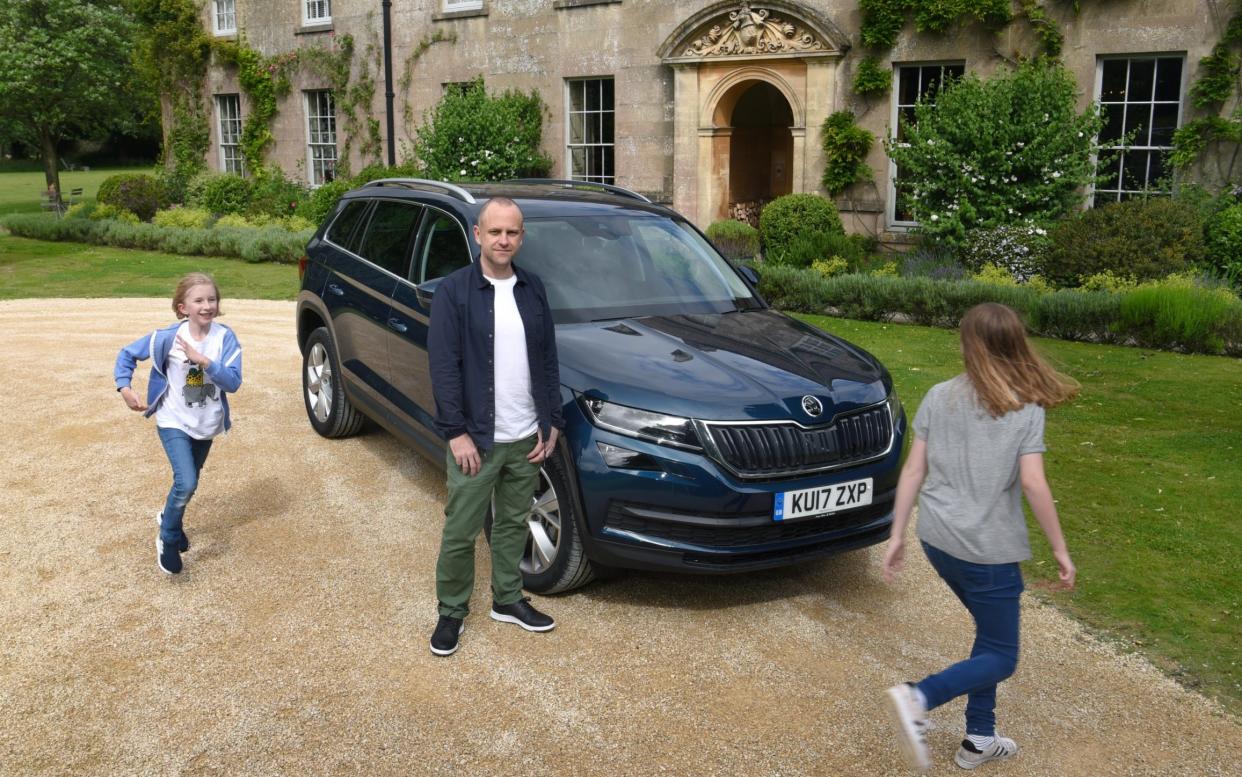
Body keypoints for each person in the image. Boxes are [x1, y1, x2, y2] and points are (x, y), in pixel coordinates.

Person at [881, 302, 1078, 771]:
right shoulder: (1025, 408)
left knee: (989, 638)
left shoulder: (937, 394)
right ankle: (917, 697)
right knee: (1002, 656)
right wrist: (1059, 549)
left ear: (968, 344)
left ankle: (979, 738)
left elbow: (912, 470)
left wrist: (897, 536)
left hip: (937, 538)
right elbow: (1032, 483)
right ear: (1016, 344)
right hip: (986, 551)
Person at [427, 196, 563, 657]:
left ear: (521, 237)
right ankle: (451, 611)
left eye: (513, 232)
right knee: (461, 530)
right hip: (476, 441)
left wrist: (551, 422)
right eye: (496, 232)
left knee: (511, 524)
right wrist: (455, 432)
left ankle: (507, 599)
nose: (504, 240)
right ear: (478, 235)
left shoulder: (532, 288)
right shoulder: (455, 291)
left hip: (526, 436)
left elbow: (547, 358)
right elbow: (443, 366)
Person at [114, 273, 243, 575]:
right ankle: (168, 538)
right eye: (199, 300)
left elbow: (234, 382)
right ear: (183, 307)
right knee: (187, 481)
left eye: (212, 299)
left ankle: (169, 517)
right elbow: (127, 355)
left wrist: (205, 361)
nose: (207, 305)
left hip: (207, 423)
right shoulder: (167, 338)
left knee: (188, 483)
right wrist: (124, 387)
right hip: (173, 420)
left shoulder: (225, 338)